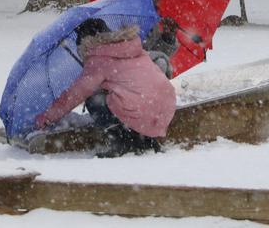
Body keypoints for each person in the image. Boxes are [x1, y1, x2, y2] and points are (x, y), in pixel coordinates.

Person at [35, 18, 177, 157]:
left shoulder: (98, 58)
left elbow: (74, 95)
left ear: (85, 42)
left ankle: (120, 141)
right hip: (164, 108)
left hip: (141, 108)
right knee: (131, 97)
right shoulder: (128, 47)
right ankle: (147, 141)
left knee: (94, 100)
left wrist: (47, 117)